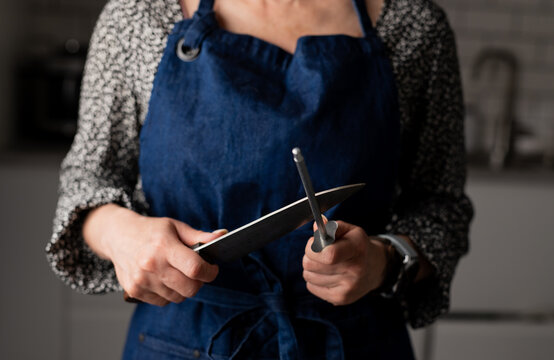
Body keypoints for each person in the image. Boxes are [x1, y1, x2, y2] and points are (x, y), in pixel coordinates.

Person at [46, 0, 473, 358]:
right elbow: (86, 181)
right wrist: (123, 235)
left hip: (354, 344)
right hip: (182, 342)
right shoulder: (139, 16)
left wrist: (383, 260)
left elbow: (442, 208)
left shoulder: (414, 27)